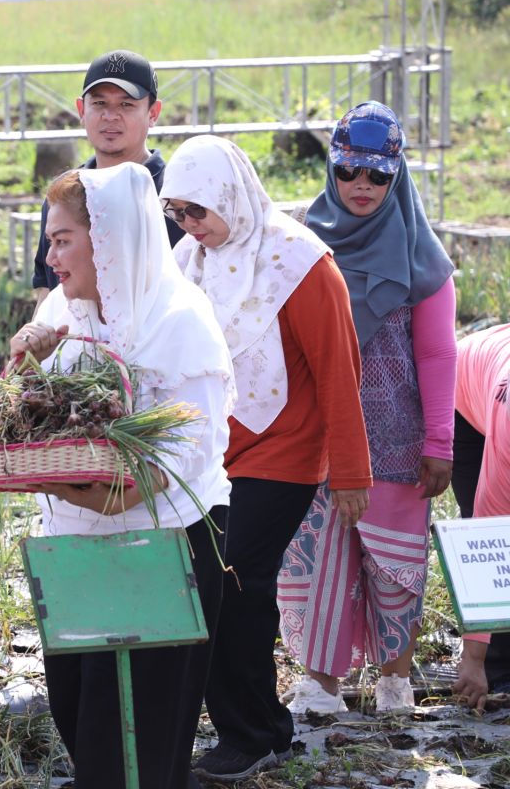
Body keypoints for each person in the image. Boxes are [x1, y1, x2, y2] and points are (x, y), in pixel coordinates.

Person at [155, 134, 373, 781]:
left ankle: (252, 733)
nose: (190, 227)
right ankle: (254, 725)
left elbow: (339, 370)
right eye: (178, 214)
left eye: (198, 211)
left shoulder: (300, 262)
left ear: (229, 196)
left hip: (283, 454)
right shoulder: (189, 259)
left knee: (234, 584)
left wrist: (352, 472)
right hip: (211, 453)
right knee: (211, 586)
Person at [12, 164, 234, 788]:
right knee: (78, 717)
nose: (50, 257)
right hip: (76, 550)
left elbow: (173, 462)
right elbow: (41, 414)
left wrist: (47, 479)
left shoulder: (180, 322)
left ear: (107, 242)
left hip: (162, 553)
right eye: (49, 240)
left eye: (62, 241)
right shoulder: (66, 306)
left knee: (137, 741)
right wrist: (24, 368)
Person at [276, 102, 456, 717]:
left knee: (394, 565)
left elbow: (436, 353)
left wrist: (441, 443)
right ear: (333, 167)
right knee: (320, 556)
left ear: (397, 174)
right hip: (317, 437)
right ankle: (320, 685)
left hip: (400, 442)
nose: (362, 187)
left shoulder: (423, 258)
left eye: (378, 176)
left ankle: (395, 682)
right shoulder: (301, 245)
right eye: (351, 171)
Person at [30, 49, 184, 310]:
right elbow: (47, 284)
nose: (110, 116)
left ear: (153, 113)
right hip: (76, 346)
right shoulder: (64, 193)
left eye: (126, 105)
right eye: (99, 103)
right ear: (81, 109)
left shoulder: (177, 193)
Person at [448, 323, 510, 711]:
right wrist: (473, 659)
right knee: (500, 541)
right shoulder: (506, 437)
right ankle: (497, 667)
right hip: (464, 399)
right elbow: (485, 541)